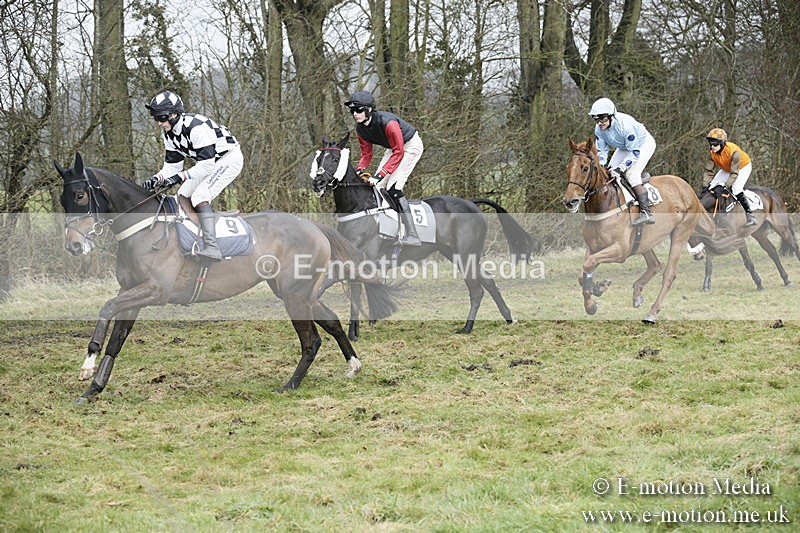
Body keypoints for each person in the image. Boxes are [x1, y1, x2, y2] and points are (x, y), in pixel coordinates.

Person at [142, 90, 243, 261]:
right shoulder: (169, 133)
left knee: (200, 195)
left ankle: (213, 246)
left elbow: (206, 166)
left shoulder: (197, 129)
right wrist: (157, 178)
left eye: (161, 118)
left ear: (174, 114)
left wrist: (179, 177)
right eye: (156, 118)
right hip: (209, 163)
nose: (159, 123)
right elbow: (172, 166)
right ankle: (199, 235)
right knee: (182, 194)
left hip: (228, 159)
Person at [344, 89, 423, 246]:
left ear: (369, 109)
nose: (355, 114)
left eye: (359, 109)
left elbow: (399, 152)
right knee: (378, 188)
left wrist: (380, 174)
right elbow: (366, 155)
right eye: (352, 110)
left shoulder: (389, 123)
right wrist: (359, 170)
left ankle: (412, 234)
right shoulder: (360, 129)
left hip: (410, 146)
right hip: (394, 149)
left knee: (393, 188)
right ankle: (386, 229)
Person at [588, 97, 656, 225]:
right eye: (596, 119)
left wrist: (622, 168)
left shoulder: (625, 126)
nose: (600, 123)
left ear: (611, 116)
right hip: (625, 147)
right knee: (609, 172)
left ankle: (646, 212)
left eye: (602, 118)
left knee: (631, 175)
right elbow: (602, 151)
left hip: (642, 144)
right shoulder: (598, 129)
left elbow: (635, 153)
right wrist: (602, 165)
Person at [702, 128, 757, 227]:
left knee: (736, 189)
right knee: (711, 188)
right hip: (727, 168)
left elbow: (734, 174)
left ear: (722, 143)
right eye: (710, 144)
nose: (712, 147)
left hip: (742, 167)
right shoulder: (712, 152)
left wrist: (725, 186)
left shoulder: (733, 152)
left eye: (715, 144)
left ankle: (750, 215)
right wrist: (705, 185)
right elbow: (709, 171)